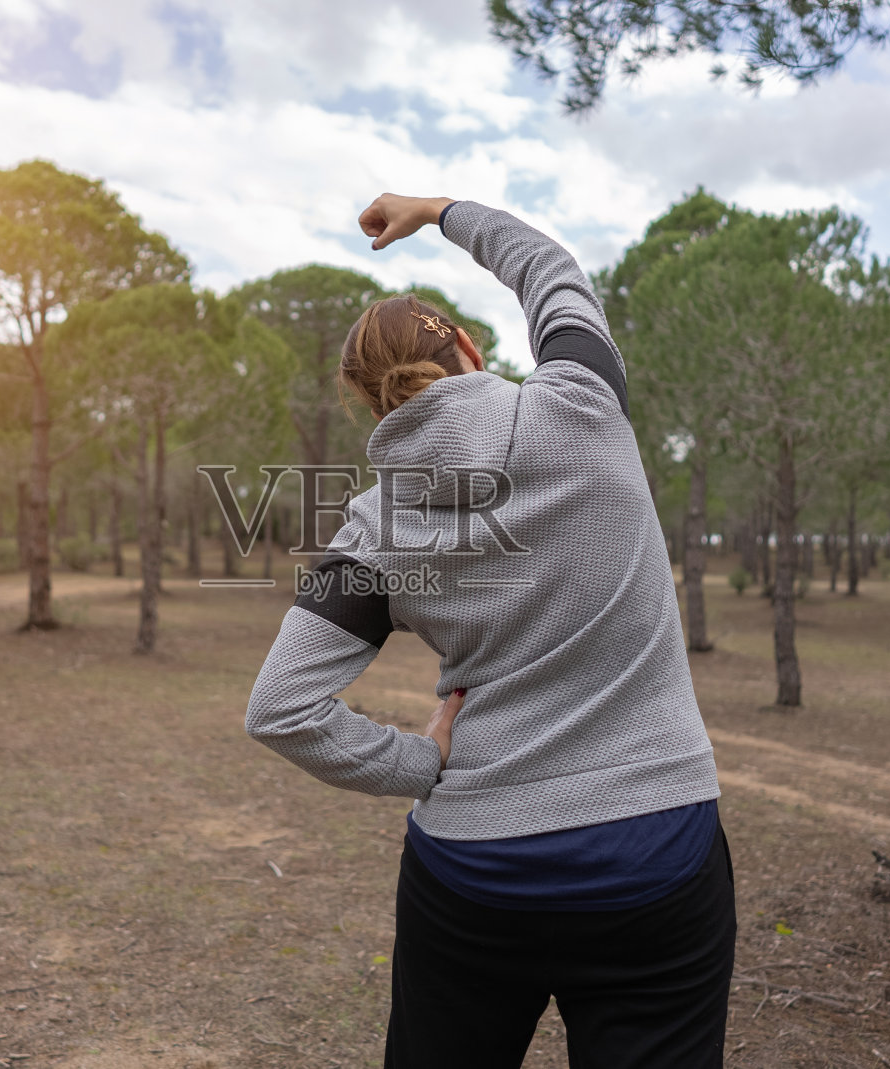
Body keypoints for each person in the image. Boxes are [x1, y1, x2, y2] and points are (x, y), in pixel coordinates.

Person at [245, 193, 734, 1068]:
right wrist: (439, 211)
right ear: (470, 349)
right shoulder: (582, 401)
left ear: (370, 407)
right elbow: (550, 269)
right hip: (655, 851)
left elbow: (281, 708)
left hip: (473, 873)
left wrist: (420, 762)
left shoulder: (374, 526)